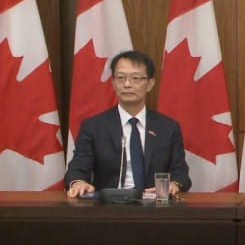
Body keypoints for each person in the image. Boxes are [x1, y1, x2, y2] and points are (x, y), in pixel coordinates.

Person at [65, 50, 191, 198]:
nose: (127, 84)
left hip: (155, 208)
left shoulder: (168, 128)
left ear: (150, 84)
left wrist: (174, 184)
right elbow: (77, 168)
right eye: (121, 78)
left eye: (135, 78)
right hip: (109, 208)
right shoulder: (94, 127)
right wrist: (78, 182)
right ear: (113, 82)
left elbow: (181, 174)